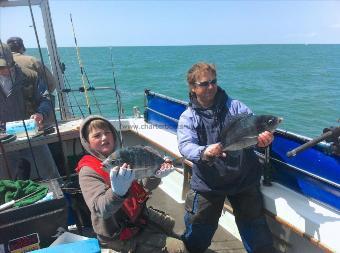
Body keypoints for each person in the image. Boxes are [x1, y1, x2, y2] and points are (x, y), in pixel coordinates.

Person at [177, 62, 276, 253]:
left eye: (213, 82)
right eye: (204, 83)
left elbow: (254, 132)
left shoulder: (236, 107)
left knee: (257, 235)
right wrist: (204, 151)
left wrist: (263, 141)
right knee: (198, 232)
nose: (211, 87)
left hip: (244, 179)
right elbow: (185, 146)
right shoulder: (188, 117)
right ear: (193, 88)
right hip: (209, 183)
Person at [76, 115, 188, 253]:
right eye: (97, 135)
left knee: (169, 224)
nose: (104, 138)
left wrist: (155, 175)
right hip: (118, 234)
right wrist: (117, 193)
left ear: (114, 135)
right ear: (87, 142)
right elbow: (100, 210)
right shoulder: (88, 171)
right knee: (180, 248)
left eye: (107, 133)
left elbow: (145, 188)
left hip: (138, 217)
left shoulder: (123, 156)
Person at [0, 42, 59, 180]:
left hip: (32, 135)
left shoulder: (30, 76)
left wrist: (40, 113)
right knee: (7, 183)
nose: (5, 70)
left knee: (50, 175)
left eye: (7, 65)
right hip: (2, 141)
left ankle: (62, 199)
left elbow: (46, 98)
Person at [7, 37, 57, 126]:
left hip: (9, 124)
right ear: (22, 48)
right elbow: (51, 84)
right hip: (36, 118)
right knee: (47, 100)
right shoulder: (32, 61)